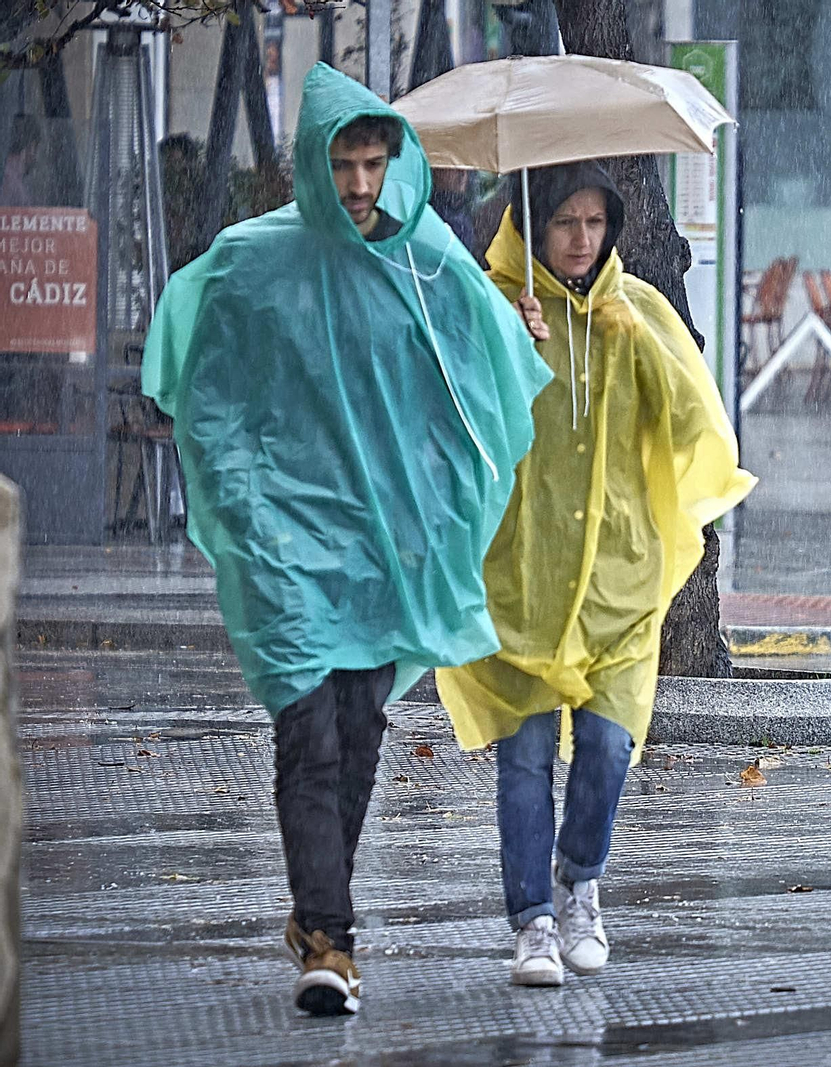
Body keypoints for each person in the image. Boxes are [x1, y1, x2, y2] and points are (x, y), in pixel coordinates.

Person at [142, 64, 552, 1016]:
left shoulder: (429, 263)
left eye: (374, 162)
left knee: (360, 734)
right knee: (309, 736)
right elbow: (206, 393)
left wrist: (517, 331)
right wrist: (245, 508)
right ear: (311, 164)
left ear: (396, 162)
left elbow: (485, 384)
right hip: (288, 544)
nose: (361, 184)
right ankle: (330, 935)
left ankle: (320, 912)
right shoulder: (254, 262)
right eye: (343, 162)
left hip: (385, 553)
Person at [436, 161, 754, 987]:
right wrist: (508, 343)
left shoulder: (636, 313)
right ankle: (533, 920)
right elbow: (447, 417)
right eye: (565, 223)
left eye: (595, 223)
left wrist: (640, 349)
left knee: (610, 749)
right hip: (520, 585)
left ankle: (580, 880)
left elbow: (693, 423)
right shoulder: (490, 310)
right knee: (525, 759)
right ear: (533, 226)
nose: (582, 240)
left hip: (616, 584)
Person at [0, 114, 39, 206]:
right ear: (30, 146)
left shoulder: (8, 176)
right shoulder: (11, 182)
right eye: (37, 147)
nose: (36, 157)